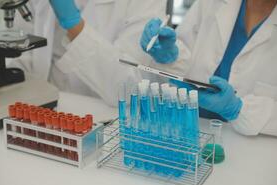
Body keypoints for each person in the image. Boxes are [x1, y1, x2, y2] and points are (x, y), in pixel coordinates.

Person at [140, 0, 277, 137]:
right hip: (188, 131)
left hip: (252, 151)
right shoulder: (210, 3)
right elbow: (185, 62)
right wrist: (171, 57)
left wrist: (239, 109)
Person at [11, 0, 166, 106]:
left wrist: (74, 25)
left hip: (103, 122)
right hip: (45, 110)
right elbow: (23, 57)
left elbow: (128, 87)